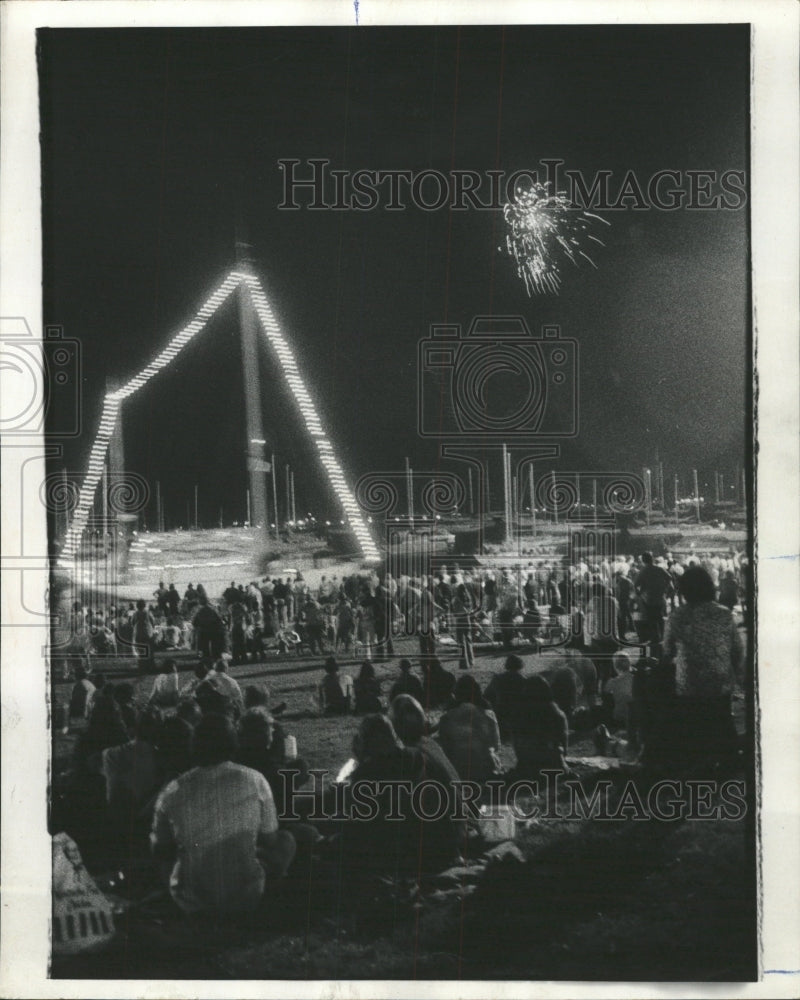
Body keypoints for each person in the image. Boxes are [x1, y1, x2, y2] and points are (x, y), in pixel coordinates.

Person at [150, 713, 296, 917]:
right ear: (233, 742)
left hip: (190, 899)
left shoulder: (173, 789)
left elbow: (160, 849)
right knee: (286, 839)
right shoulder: (254, 779)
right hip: (245, 894)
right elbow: (270, 838)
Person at [652, 566, 745, 771]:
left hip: (690, 684)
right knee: (721, 714)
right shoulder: (725, 614)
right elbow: (737, 650)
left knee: (693, 719)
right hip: (721, 682)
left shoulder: (678, 616)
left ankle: (694, 755)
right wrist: (737, 677)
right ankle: (725, 756)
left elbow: (667, 651)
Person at [437, 675, 501, 787]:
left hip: (457, 771)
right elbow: (496, 745)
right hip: (486, 769)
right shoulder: (488, 715)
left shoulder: (446, 718)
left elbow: (446, 748)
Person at [508, 675, 569, 780]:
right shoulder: (556, 713)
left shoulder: (517, 714)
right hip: (552, 763)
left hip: (526, 763)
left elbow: (515, 742)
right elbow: (564, 741)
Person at [634, 552, 674, 647]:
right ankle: (663, 637)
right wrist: (664, 588)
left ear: (643, 560)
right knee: (660, 617)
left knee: (651, 618)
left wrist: (639, 594)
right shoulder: (659, 569)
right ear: (652, 559)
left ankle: (655, 638)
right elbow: (669, 577)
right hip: (659, 597)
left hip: (648, 598)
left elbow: (636, 584)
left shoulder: (644, 571)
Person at [484, 654, 527, 740]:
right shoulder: (524, 681)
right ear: (521, 666)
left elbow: (487, 694)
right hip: (518, 712)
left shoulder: (498, 679)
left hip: (501, 710)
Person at [451, 582, 475, 670]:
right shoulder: (468, 598)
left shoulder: (456, 599)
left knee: (461, 642)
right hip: (467, 619)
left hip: (460, 620)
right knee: (469, 641)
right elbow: (471, 609)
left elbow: (454, 611)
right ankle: (471, 661)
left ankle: (464, 663)